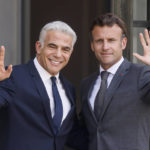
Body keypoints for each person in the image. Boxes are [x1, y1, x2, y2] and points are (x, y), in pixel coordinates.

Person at [0, 21, 81, 150]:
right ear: (38, 47)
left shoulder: (69, 89)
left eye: (65, 49)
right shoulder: (12, 77)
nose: (58, 54)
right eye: (52, 46)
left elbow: (72, 135)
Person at [80, 13, 150, 150]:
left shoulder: (142, 76)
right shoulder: (86, 84)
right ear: (92, 45)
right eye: (99, 41)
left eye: (111, 40)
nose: (105, 47)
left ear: (123, 43)